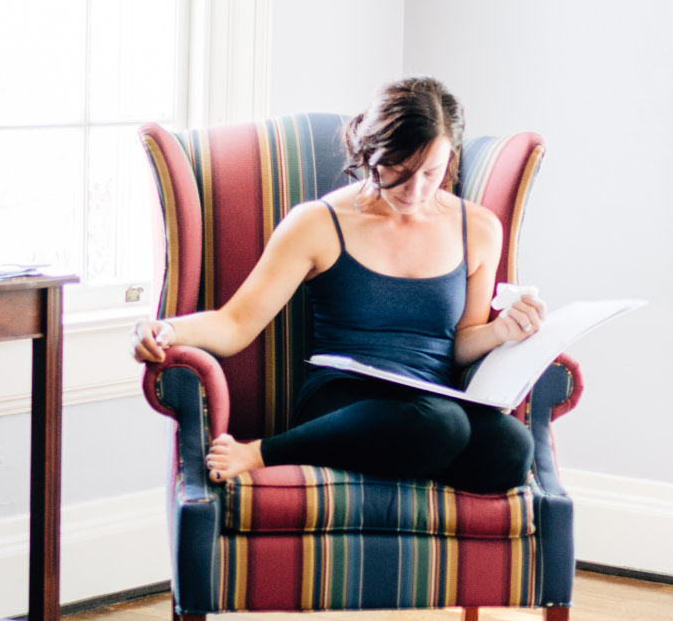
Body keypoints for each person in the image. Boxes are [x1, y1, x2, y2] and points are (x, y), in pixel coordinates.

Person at [132, 78, 545, 492]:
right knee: (443, 427)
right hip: (344, 399)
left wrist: (501, 331)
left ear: (450, 159)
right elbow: (235, 323)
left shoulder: (478, 228)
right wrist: (167, 329)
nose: (415, 190)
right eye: (398, 170)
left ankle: (394, 456)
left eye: (431, 173)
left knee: (510, 449)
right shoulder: (317, 223)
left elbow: (461, 341)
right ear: (369, 152)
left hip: (430, 402)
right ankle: (264, 452)